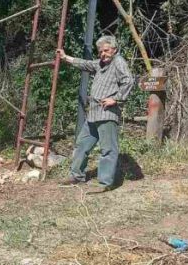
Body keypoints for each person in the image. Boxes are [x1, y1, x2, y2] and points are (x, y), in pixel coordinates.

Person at [56, 35, 133, 190]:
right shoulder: (100, 64)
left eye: (106, 50)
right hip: (93, 114)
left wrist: (116, 99)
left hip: (107, 113)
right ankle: (76, 175)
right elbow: (85, 64)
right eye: (101, 51)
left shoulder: (118, 62)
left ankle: (105, 183)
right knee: (82, 144)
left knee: (108, 149)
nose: (103, 54)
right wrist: (65, 57)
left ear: (114, 50)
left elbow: (129, 80)